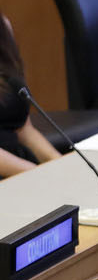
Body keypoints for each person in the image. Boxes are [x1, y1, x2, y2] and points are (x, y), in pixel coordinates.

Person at [0, 13, 63, 177]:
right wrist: (36, 174)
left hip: (21, 166)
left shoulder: (3, 26)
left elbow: (24, 129)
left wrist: (60, 164)